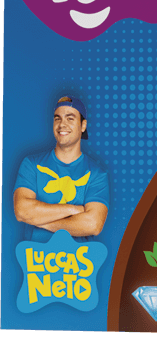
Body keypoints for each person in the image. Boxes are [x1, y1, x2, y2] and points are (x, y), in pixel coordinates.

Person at [13, 96, 109, 242]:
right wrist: (74, 209)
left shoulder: (96, 174)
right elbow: (22, 210)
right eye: (57, 118)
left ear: (83, 126)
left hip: (78, 257)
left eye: (70, 118)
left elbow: (93, 224)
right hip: (36, 256)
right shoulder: (32, 164)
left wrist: (41, 222)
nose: (62, 124)